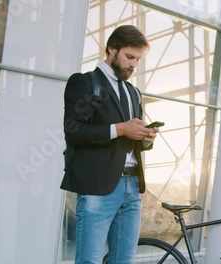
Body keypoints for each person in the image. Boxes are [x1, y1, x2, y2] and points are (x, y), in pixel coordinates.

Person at [60, 25, 158, 264]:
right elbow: (74, 132)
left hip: (132, 187)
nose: (133, 64)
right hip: (98, 188)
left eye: (137, 59)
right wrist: (122, 128)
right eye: (129, 57)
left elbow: (133, 140)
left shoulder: (134, 92)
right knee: (89, 261)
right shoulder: (85, 82)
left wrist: (145, 138)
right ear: (112, 49)